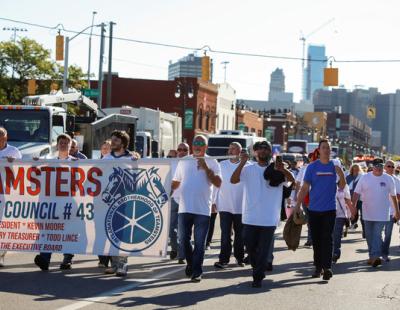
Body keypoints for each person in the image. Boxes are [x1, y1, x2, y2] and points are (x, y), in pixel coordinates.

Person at [231, 141, 294, 288]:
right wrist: (241, 163)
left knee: (264, 250)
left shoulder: (277, 169)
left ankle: (258, 277)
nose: (263, 151)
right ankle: (256, 266)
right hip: (250, 217)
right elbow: (233, 180)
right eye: (260, 149)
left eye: (266, 149)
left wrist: (283, 170)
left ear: (270, 152)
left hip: (269, 218)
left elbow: (292, 181)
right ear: (255, 152)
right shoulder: (248, 168)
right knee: (250, 246)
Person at [294, 139, 347, 281]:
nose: (326, 150)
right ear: (319, 150)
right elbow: (305, 187)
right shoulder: (312, 167)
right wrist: (297, 205)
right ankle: (318, 267)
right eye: (324, 147)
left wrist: (341, 174)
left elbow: (342, 186)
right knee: (317, 240)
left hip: (330, 209)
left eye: (328, 148)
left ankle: (327, 267)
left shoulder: (334, 167)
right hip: (314, 209)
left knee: (327, 238)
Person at [172, 135, 222, 282]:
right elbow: (176, 181)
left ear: (206, 146)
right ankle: (191, 263)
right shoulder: (184, 160)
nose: (197, 145)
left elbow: (218, 183)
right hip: (185, 206)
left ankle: (197, 271)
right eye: (195, 143)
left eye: (201, 143)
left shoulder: (212, 161)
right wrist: (166, 193)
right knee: (183, 239)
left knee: (200, 243)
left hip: (202, 209)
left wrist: (206, 168)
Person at [34, 134, 77, 271]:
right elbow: (36, 175)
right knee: (48, 229)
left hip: (69, 203)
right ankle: (45, 259)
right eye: (61, 143)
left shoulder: (78, 162)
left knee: (68, 230)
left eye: (66, 143)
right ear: (57, 145)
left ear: (71, 146)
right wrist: (35, 163)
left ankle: (67, 259)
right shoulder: (49, 161)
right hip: (51, 203)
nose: (63, 145)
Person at [103, 130, 140, 277]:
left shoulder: (132, 158)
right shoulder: (106, 158)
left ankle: (123, 265)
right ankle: (114, 264)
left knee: (122, 234)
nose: (112, 143)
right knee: (110, 233)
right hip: (109, 203)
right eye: (112, 140)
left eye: (116, 141)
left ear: (123, 143)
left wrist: (138, 159)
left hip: (126, 202)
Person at [352, 158, 400, 267]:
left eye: (380, 166)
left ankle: (375, 256)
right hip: (368, 213)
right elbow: (356, 193)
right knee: (369, 236)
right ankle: (372, 256)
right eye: (376, 166)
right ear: (372, 167)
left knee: (377, 235)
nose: (378, 168)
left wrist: (397, 211)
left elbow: (393, 196)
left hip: (383, 214)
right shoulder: (365, 177)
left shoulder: (389, 179)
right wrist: (353, 207)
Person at [214, 142, 246, 269]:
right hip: (224, 205)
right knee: (225, 234)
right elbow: (216, 184)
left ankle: (240, 258)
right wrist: (214, 201)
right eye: (230, 149)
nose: (231, 151)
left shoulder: (247, 166)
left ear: (240, 151)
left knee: (240, 234)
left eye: (234, 149)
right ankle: (223, 259)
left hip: (241, 206)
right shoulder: (221, 165)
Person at [0, 127, 22, 267]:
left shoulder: (14, 151)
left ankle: (1, 255)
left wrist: (14, 163)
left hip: (6, 194)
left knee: (3, 225)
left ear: (6, 137)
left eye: (1, 136)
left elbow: (22, 171)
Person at [169, 143, 189, 263]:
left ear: (188, 151)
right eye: (179, 149)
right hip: (173, 198)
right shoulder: (172, 162)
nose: (182, 151)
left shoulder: (193, 162)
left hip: (187, 200)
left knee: (183, 229)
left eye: (184, 150)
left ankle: (182, 255)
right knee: (172, 228)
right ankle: (175, 249)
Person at [381, 160, 400, 261]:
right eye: (389, 166)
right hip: (378, 211)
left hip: (391, 212)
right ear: (385, 167)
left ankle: (384, 253)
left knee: (388, 234)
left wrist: (398, 211)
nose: (391, 168)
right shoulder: (379, 177)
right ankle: (377, 250)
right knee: (377, 233)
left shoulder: (397, 180)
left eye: (393, 167)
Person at [97, 139, 112, 268]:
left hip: (112, 202)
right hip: (98, 202)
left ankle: (113, 260)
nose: (105, 150)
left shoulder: (115, 163)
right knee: (100, 231)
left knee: (112, 232)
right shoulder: (96, 163)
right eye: (104, 148)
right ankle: (102, 259)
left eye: (108, 148)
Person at [333, 183, 353, 263]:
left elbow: (347, 200)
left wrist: (350, 213)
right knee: (328, 235)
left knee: (337, 234)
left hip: (340, 215)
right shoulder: (324, 182)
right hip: (326, 213)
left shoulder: (344, 186)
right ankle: (328, 253)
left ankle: (335, 253)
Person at [346, 164, 364, 234]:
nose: (356, 170)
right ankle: (353, 223)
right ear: (352, 169)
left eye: (357, 168)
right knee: (353, 212)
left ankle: (365, 230)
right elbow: (345, 186)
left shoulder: (362, 177)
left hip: (361, 198)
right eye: (354, 168)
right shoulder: (348, 177)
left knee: (363, 215)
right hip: (351, 197)